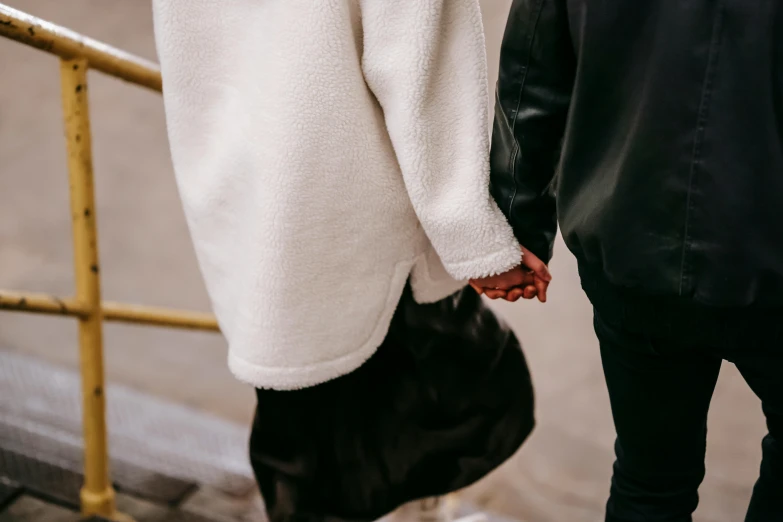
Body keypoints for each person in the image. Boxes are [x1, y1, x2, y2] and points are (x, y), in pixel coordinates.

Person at [151, 1, 537, 521]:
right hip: (354, 213)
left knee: (309, 441)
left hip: (250, 194)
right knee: (422, 414)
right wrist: (476, 240)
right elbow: (421, 66)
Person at [472, 1, 783, 521]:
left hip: (632, 246)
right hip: (767, 255)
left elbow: (534, 63)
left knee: (650, 478)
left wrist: (515, 219)